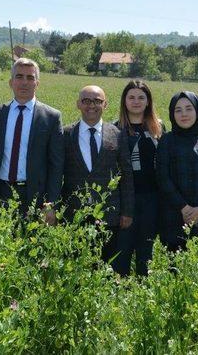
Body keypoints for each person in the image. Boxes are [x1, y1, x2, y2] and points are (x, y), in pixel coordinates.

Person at [0, 58, 64, 222]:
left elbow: (56, 165)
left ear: (37, 83)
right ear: (11, 82)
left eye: (30, 78)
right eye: (19, 77)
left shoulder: (51, 117)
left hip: (34, 196)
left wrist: (51, 204)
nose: (24, 82)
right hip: (0, 192)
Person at [61, 85, 134, 268]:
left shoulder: (118, 135)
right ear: (78, 104)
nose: (91, 105)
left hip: (109, 216)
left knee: (106, 269)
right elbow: (57, 173)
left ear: (105, 104)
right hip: (74, 215)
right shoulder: (65, 134)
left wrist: (127, 211)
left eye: (97, 101)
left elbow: (126, 175)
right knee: (75, 268)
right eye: (86, 100)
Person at [156, 91, 198, 252]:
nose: (183, 114)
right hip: (173, 214)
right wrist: (184, 208)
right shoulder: (166, 140)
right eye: (178, 110)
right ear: (172, 114)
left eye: (189, 108)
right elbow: (162, 177)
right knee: (174, 268)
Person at [115, 80, 163, 276]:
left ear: (148, 101)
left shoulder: (158, 128)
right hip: (124, 200)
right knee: (121, 251)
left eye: (141, 97)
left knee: (146, 252)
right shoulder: (115, 129)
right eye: (131, 97)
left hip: (151, 199)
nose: (136, 101)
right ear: (124, 101)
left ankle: (143, 290)